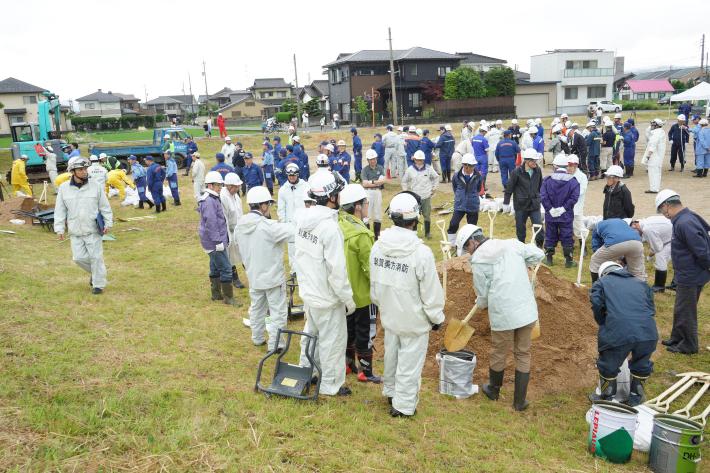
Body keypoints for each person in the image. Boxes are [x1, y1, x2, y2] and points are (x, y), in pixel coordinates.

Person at [370, 192, 445, 416]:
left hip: (390, 315)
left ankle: (391, 392)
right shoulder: (421, 253)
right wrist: (436, 318)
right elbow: (431, 294)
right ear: (416, 218)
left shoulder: (378, 246)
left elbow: (374, 286)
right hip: (414, 320)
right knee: (409, 364)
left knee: (392, 357)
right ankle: (402, 406)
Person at [457, 224, 544, 411]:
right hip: (526, 309)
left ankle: (494, 390)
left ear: (473, 242)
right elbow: (538, 255)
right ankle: (519, 401)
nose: (467, 252)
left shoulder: (479, 261)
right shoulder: (512, 244)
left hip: (504, 313)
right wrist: (522, 263)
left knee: (499, 351)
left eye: (466, 248)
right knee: (523, 353)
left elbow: (482, 295)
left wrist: (481, 303)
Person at [295, 171, 355, 397]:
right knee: (332, 341)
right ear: (331, 197)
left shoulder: (302, 219)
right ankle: (330, 384)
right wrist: (347, 299)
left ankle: (306, 371)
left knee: (311, 334)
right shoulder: (330, 228)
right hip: (328, 298)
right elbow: (336, 271)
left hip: (309, 292)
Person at [588, 261, 658, 406]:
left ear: (603, 273)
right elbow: (651, 307)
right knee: (641, 363)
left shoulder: (601, 283)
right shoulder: (641, 283)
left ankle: (607, 397)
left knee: (608, 364)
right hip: (648, 332)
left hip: (618, 332)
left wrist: (603, 322)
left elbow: (596, 304)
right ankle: (636, 397)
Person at [236, 186, 294, 350]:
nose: (269, 207)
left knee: (257, 308)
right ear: (262, 206)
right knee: (278, 313)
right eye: (268, 204)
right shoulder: (268, 227)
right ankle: (276, 345)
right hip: (273, 278)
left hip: (254, 275)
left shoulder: (241, 225)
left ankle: (257, 337)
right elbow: (293, 232)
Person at [656, 190, 710, 354]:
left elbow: (701, 250)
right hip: (686, 273)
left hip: (691, 274)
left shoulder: (684, 222)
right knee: (681, 307)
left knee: (686, 310)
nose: (663, 215)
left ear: (666, 206)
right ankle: (677, 337)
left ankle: (689, 345)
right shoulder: (685, 217)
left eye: (661, 210)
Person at [337, 184, 381, 383]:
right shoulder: (362, 234)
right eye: (365, 203)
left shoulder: (337, 223)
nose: (366, 206)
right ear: (356, 206)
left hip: (343, 292)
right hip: (362, 295)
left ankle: (347, 365)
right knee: (365, 332)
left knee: (348, 330)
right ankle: (366, 371)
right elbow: (370, 268)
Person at [54, 157, 113, 295]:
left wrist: (108, 222)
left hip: (93, 229)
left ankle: (98, 284)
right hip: (75, 230)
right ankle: (97, 272)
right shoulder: (64, 189)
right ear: (72, 171)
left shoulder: (96, 186)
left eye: (85, 168)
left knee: (96, 258)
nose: (84, 171)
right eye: (81, 169)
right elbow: (60, 210)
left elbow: (104, 206)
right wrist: (59, 228)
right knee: (78, 258)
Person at [199, 171, 238, 305]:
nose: (220, 187)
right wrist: (218, 241)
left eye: (220, 185)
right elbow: (211, 223)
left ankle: (216, 295)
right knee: (226, 268)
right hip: (214, 241)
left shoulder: (212, 198)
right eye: (217, 185)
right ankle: (229, 298)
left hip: (214, 240)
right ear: (210, 185)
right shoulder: (209, 200)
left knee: (215, 267)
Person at [541, 154, 580, 267]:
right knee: (567, 236)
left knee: (550, 235)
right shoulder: (573, 181)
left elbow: (543, 196)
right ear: (566, 166)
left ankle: (549, 259)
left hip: (551, 215)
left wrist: (550, 209)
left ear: (555, 166)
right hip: (566, 215)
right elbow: (574, 198)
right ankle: (569, 261)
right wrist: (564, 208)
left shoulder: (547, 180)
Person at [503, 149, 544, 247]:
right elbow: (509, 188)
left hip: (534, 204)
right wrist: (506, 202)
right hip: (521, 205)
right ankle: (521, 246)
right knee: (520, 228)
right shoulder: (516, 172)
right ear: (526, 161)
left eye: (536, 160)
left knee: (538, 226)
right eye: (533, 160)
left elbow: (540, 186)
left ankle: (539, 245)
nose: (536, 162)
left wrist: (540, 198)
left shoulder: (538, 170)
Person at [590, 218, 645, 282]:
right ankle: (642, 289)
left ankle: (596, 287)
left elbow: (596, 246)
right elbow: (627, 246)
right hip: (637, 242)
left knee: (595, 261)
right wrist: (622, 259)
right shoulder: (622, 222)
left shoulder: (597, 227)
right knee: (636, 271)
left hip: (615, 241)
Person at [277, 163, 309, 272]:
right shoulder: (283, 189)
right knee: (292, 248)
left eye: (294, 175)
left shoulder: (305, 187)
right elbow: (281, 209)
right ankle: (294, 271)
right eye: (290, 176)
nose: (292, 177)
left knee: (305, 247)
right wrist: (284, 224)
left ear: (298, 175)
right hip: (290, 224)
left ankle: (306, 268)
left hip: (304, 222)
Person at [401, 150, 439, 239]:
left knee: (427, 215)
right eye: (417, 160)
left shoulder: (429, 168)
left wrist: (434, 188)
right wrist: (406, 192)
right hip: (414, 198)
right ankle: (414, 233)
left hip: (426, 196)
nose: (419, 161)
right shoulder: (409, 170)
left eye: (421, 160)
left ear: (423, 160)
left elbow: (436, 177)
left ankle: (427, 233)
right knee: (414, 215)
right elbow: (404, 181)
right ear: (414, 159)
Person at [446, 153, 483, 245]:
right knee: (453, 224)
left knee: (472, 228)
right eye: (471, 166)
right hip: (460, 204)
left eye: (474, 166)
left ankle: (470, 245)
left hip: (473, 205)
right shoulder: (456, 176)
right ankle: (452, 243)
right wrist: (460, 197)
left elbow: (478, 188)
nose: (473, 168)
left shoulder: (478, 176)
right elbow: (455, 187)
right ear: (465, 165)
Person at [630, 215, 672, 293]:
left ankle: (659, 287)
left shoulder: (647, 229)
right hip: (670, 236)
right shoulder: (644, 222)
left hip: (673, 238)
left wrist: (650, 255)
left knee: (660, 258)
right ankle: (675, 284)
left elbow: (658, 247)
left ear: (634, 226)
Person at [220, 173, 246, 289]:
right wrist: (227, 236)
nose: (238, 188)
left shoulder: (236, 196)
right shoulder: (223, 197)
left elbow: (240, 213)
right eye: (236, 186)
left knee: (244, 253)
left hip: (239, 229)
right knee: (230, 255)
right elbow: (224, 218)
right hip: (229, 230)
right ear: (229, 186)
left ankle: (251, 273)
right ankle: (234, 278)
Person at [361, 149, 386, 240]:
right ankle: (367, 236)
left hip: (377, 192)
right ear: (368, 160)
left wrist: (371, 182)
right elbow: (364, 184)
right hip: (368, 192)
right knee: (367, 214)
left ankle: (377, 237)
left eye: (374, 159)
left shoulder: (380, 168)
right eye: (371, 159)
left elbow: (383, 181)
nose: (373, 161)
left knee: (377, 214)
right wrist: (376, 182)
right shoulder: (365, 170)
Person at [567, 155, 588, 248]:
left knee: (578, 226)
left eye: (571, 165)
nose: (569, 167)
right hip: (565, 206)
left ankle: (583, 245)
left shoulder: (582, 177)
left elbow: (581, 190)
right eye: (568, 165)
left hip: (576, 206)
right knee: (567, 226)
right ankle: (569, 244)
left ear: (576, 165)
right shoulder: (565, 174)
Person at [642, 118, 667, 194]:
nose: (651, 126)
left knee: (653, 173)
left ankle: (653, 189)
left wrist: (648, 157)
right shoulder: (661, 132)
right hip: (658, 157)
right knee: (657, 173)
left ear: (656, 125)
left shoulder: (656, 134)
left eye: (653, 124)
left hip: (654, 157)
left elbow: (652, 146)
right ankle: (655, 188)